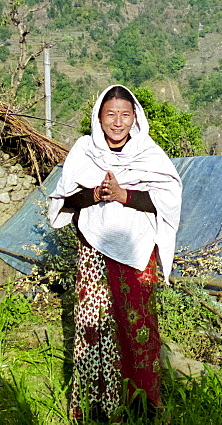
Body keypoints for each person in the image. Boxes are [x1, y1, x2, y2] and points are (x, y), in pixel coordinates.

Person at [48, 85, 182, 421]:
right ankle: (98, 405)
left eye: (124, 114)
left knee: (136, 325)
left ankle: (143, 404)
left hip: (136, 253)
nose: (117, 122)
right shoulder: (84, 150)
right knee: (94, 325)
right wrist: (94, 194)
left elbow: (168, 200)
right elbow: (65, 200)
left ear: (135, 117)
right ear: (99, 117)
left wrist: (124, 195)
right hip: (93, 252)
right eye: (111, 114)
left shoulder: (149, 154)